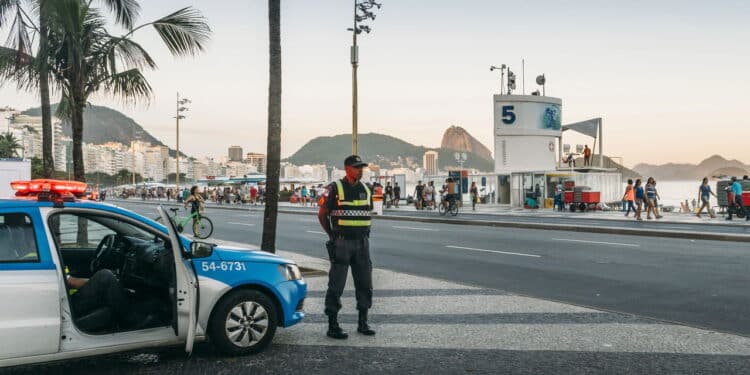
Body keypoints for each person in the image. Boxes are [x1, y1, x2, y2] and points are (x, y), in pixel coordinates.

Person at [317, 155, 376, 339]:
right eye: (357, 167)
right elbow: (322, 214)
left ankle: (363, 322)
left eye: (362, 167)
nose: (360, 170)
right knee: (336, 284)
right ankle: (332, 324)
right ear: (347, 168)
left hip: (362, 243)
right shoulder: (334, 188)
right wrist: (332, 235)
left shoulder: (367, 189)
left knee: (365, 283)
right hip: (342, 242)